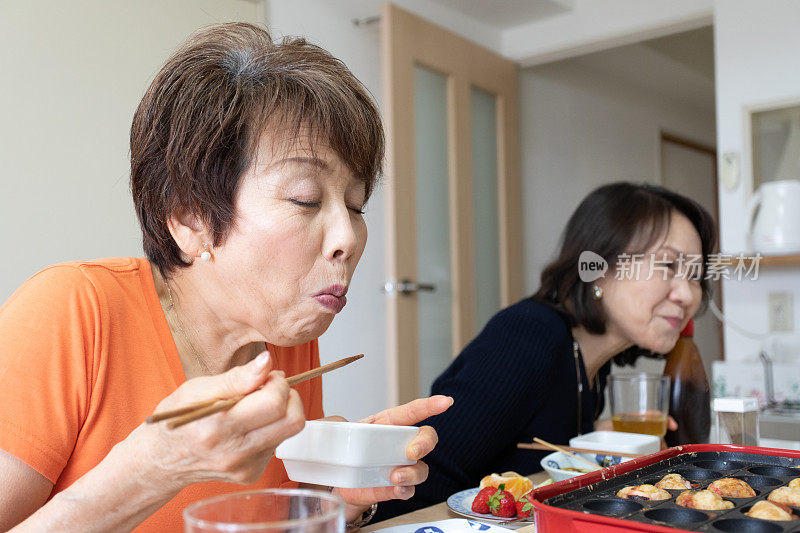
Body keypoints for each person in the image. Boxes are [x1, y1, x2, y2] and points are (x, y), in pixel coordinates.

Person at [0, 23, 451, 532]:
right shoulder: (71, 311)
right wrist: (151, 469)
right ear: (190, 217)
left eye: (356, 204)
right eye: (305, 198)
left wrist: (338, 497)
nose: (348, 237)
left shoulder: (283, 336)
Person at [374, 181, 716, 521]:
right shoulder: (530, 335)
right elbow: (429, 472)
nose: (687, 295)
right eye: (668, 266)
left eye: (695, 275)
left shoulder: (593, 363)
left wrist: (594, 437)